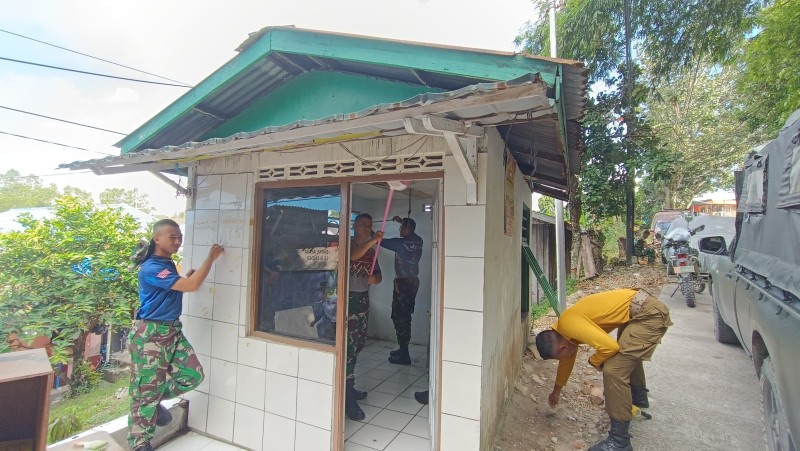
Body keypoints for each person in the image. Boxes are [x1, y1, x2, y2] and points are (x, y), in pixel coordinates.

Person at [128, 219, 224, 451]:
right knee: (146, 389)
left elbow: (179, 286)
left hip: (171, 330)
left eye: (179, 237)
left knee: (193, 375)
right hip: (151, 334)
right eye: (172, 237)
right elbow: (191, 286)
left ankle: (154, 398)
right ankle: (139, 442)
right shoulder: (152, 267)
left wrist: (188, 277)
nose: (177, 241)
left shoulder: (166, 263)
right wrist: (210, 258)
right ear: (156, 239)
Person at [535, 289, 672, 451]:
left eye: (560, 356)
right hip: (639, 310)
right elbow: (567, 361)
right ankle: (638, 396)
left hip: (649, 315)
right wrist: (556, 390)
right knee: (624, 355)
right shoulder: (564, 330)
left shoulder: (568, 326)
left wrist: (594, 361)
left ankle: (619, 441)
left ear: (563, 348)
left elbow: (609, 347)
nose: (563, 359)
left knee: (613, 370)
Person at [346, 213, 383, 420]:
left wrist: (374, 279)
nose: (367, 228)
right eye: (363, 224)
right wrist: (372, 241)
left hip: (362, 300)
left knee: (358, 345)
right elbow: (353, 257)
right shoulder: (346, 244)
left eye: (369, 225)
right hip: (347, 301)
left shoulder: (372, 251)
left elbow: (379, 275)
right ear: (354, 225)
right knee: (349, 347)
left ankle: (349, 387)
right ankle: (346, 395)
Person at [380, 216, 424, 365]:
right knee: (405, 315)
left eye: (402, 227)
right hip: (412, 282)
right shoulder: (418, 241)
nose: (399, 229)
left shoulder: (400, 243)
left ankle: (404, 354)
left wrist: (372, 234)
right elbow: (411, 230)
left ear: (408, 229)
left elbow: (380, 241)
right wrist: (402, 221)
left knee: (400, 317)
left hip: (403, 284)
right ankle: (402, 348)